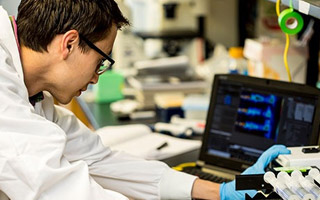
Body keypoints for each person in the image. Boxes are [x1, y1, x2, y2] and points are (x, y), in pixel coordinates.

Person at [0, 0, 290, 199]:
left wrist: (220, 192)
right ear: (70, 43)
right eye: (101, 61)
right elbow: (59, 188)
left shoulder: (34, 95)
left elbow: (99, 161)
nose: (96, 77)